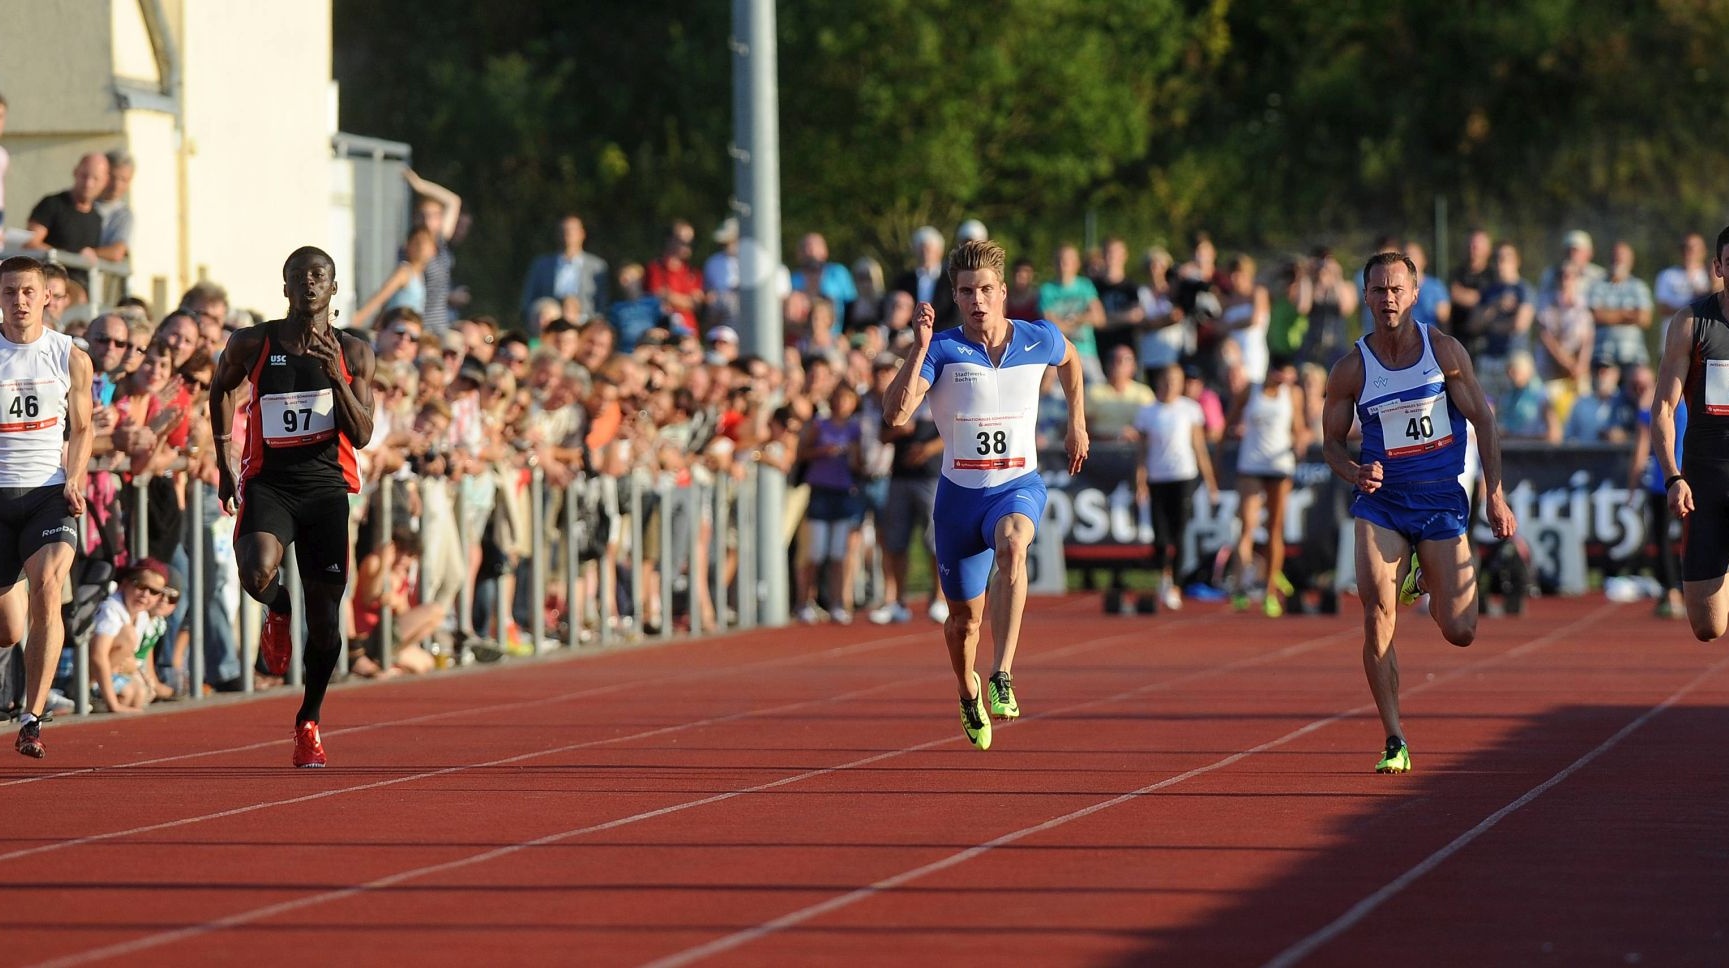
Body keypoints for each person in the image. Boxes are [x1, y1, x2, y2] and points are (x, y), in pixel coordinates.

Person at [882, 239, 1089, 751]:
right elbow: (896, 414)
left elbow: (1072, 360)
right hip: (958, 499)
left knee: (1015, 544)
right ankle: (967, 689)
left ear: (1002, 293)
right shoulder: (945, 350)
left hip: (1017, 484)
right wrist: (919, 347)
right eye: (967, 291)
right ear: (955, 295)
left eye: (986, 290)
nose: (977, 300)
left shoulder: (1037, 338)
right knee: (961, 623)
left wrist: (1076, 423)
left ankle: (1002, 674)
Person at [1321, 251, 1516, 774]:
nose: (1388, 299)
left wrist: (1494, 494)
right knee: (1376, 610)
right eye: (1378, 290)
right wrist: (1354, 472)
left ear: (1415, 292)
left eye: (1397, 289)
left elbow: (1486, 424)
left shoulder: (1444, 351)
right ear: (1364, 296)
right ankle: (1394, 737)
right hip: (1381, 504)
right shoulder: (1350, 369)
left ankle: (1425, 579)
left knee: (1462, 630)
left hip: (1440, 501)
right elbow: (1331, 445)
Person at [209, 246, 376, 768]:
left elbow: (364, 433)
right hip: (270, 484)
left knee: (326, 624)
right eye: (299, 276)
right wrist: (223, 456)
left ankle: (309, 719)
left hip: (326, 492)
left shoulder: (354, 352)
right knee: (256, 571)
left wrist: (336, 378)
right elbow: (220, 390)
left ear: (333, 287)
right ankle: (278, 607)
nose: (309, 284)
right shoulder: (252, 342)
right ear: (284, 286)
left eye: (319, 276)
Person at [0, 256, 95, 758]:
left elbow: (83, 428)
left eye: (27, 292)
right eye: (10, 292)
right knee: (9, 629)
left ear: (45, 298)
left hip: (47, 495)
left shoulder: (69, 356)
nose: (19, 301)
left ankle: (32, 718)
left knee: (48, 584)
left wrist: (75, 477)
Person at [1652, 225, 1729, 643]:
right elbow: (1664, 407)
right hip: (1706, 473)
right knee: (1708, 626)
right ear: (1718, 267)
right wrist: (1673, 476)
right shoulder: (1692, 323)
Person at [1133, 362, 1217, 612]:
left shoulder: (1190, 409)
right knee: (1160, 535)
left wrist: (1211, 481)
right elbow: (1142, 451)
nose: (1170, 385)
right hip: (1158, 477)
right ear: (1159, 382)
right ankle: (1164, 575)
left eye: (1175, 380)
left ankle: (1176, 586)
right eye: (1166, 379)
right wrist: (1140, 480)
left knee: (1179, 532)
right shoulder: (1147, 412)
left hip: (1184, 475)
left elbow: (1199, 447)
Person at [1228, 354, 1308, 617]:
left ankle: (1270, 590)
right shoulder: (1250, 391)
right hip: (1250, 464)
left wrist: (1300, 442)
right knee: (1247, 526)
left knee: (1275, 528)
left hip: (1279, 465)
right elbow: (1229, 423)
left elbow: (1298, 427)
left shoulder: (1292, 394)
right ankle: (1240, 586)